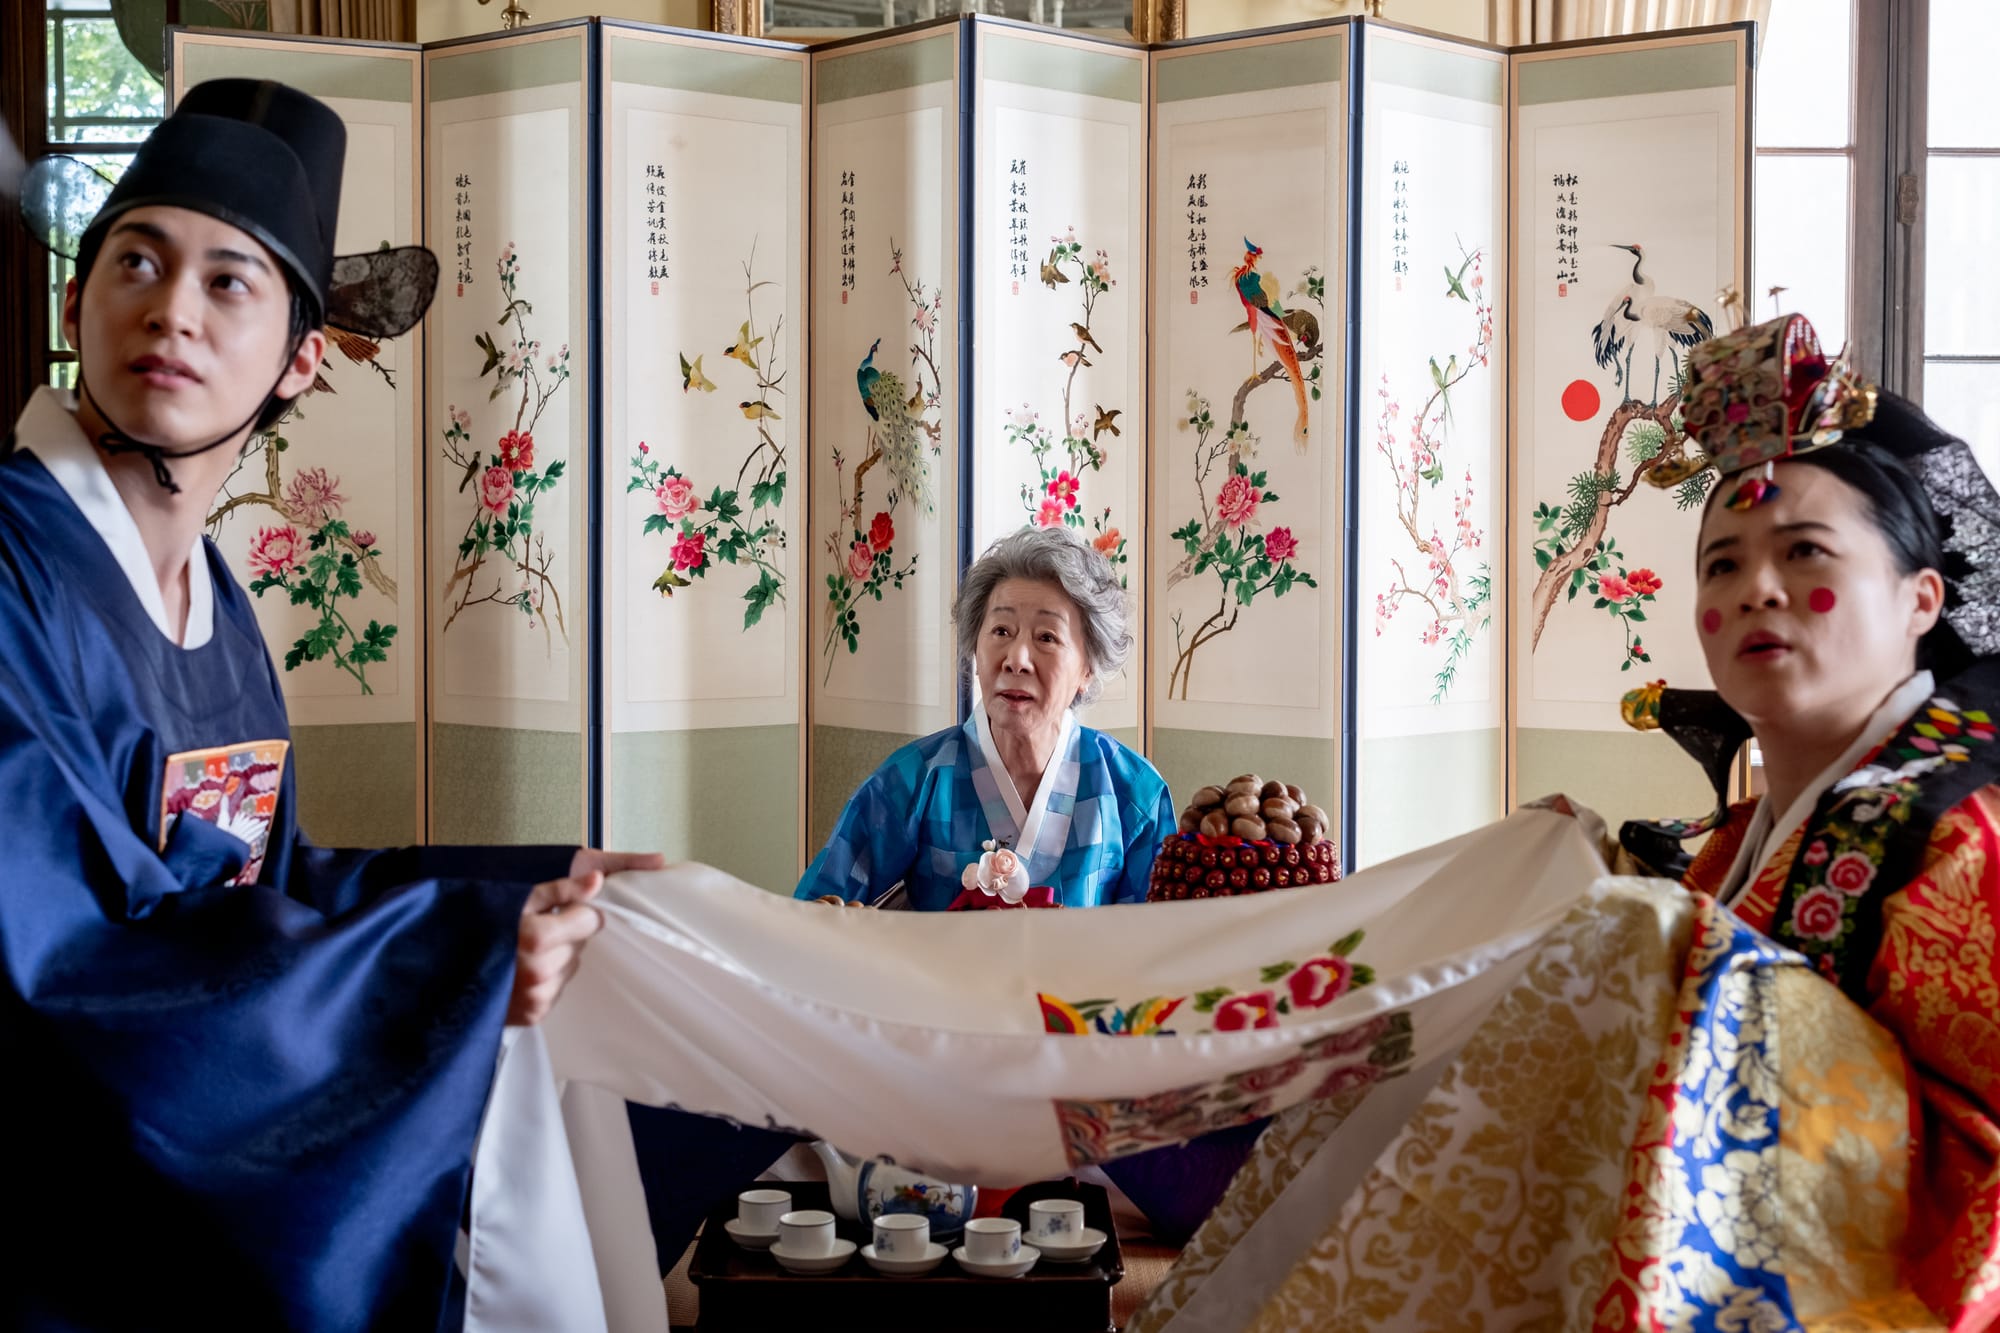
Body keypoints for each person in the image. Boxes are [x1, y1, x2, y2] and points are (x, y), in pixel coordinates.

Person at [5, 80, 657, 1329]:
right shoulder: (12, 572)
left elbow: (265, 883)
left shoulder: (213, 598)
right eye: (136, 261)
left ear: (302, 360)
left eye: (229, 281)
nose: (171, 309)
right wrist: (450, 962)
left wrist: (527, 892)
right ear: (76, 303)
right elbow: (57, 960)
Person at [1613, 312, 2000, 1327]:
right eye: (1721, 564)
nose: (1756, 590)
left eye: (1803, 552)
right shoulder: (1737, 845)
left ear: (1921, 598)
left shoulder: (1961, 839)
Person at [797, 522, 1175, 909]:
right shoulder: (914, 780)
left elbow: (1162, 937)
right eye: (1001, 631)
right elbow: (813, 913)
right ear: (975, 651)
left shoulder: (1133, 792)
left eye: (1046, 637)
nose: (1016, 659)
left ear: (1088, 667)